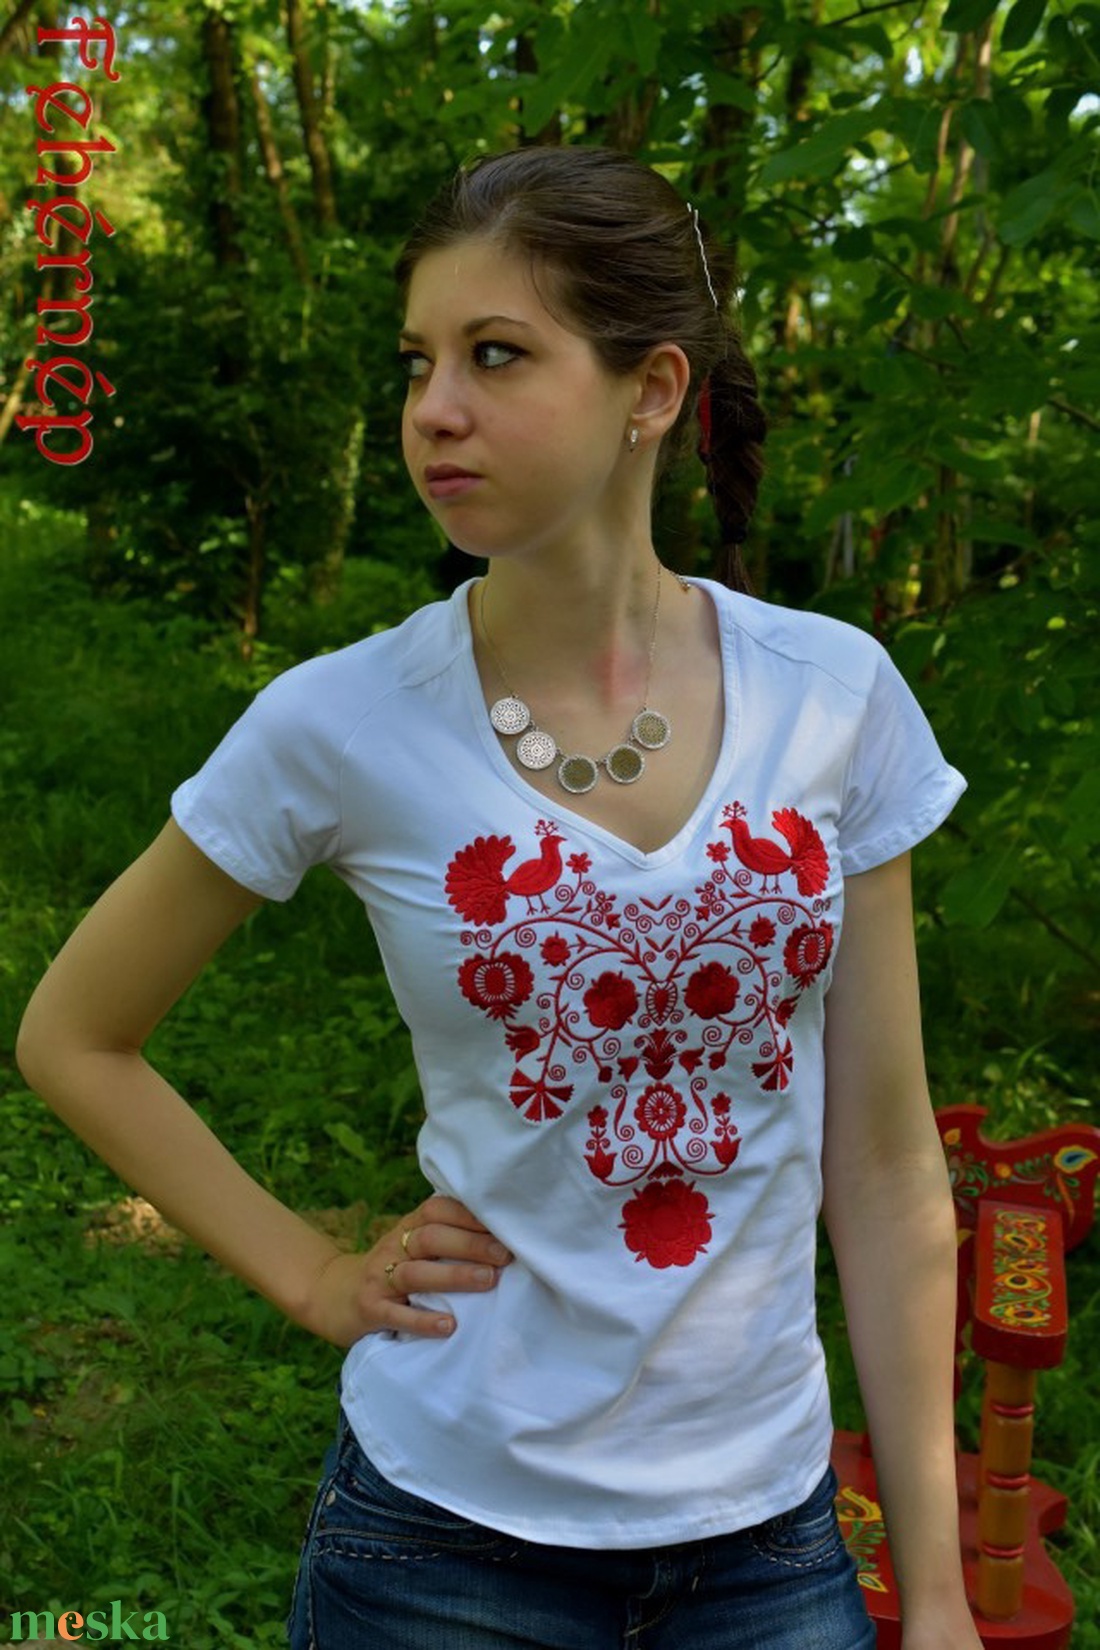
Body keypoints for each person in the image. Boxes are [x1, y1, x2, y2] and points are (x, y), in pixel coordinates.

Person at [17, 145, 984, 1650]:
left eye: (496, 354)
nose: (432, 409)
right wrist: (314, 1273)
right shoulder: (343, 721)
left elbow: (884, 1165)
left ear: (649, 390)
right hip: (440, 1549)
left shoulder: (834, 695)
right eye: (418, 363)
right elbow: (76, 1034)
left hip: (770, 1549)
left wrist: (935, 1596)